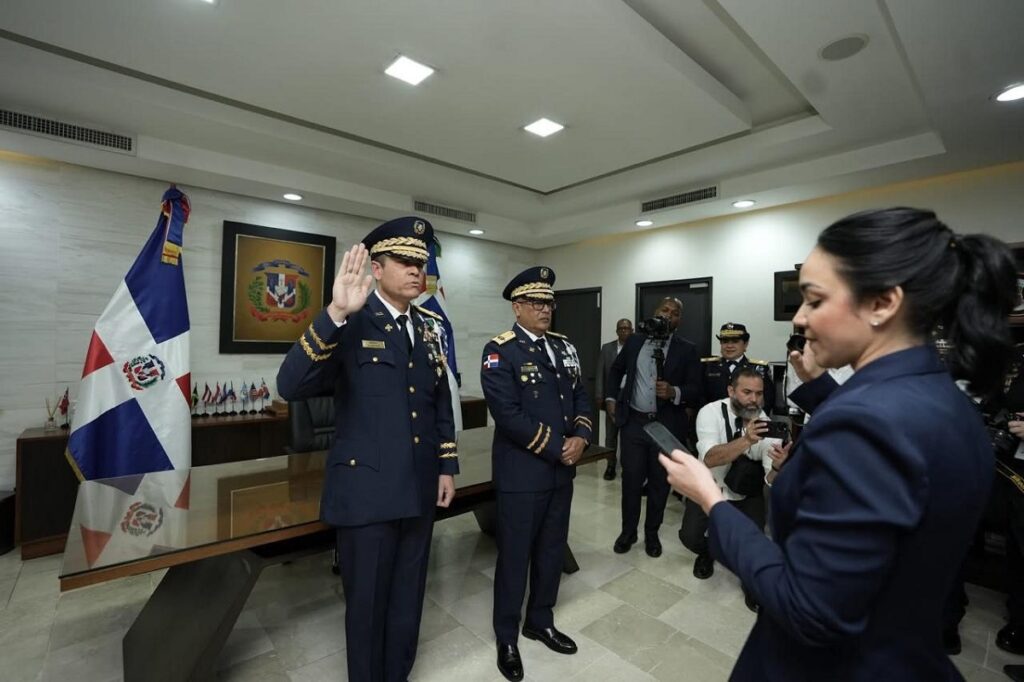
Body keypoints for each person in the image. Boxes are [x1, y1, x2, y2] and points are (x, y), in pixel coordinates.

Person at [658, 207, 1016, 680]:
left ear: (882, 304)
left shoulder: (866, 425)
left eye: (815, 300)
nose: (800, 318)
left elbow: (809, 610)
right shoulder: (943, 398)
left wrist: (710, 498)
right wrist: (817, 386)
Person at [276, 216, 458, 682]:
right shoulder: (351, 319)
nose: (416, 270)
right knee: (368, 605)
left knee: (408, 599)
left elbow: (438, 402)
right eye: (404, 261)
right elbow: (290, 385)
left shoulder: (430, 326)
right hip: (368, 493)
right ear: (376, 269)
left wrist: (446, 466)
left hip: (419, 488)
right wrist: (335, 313)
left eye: (421, 262)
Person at [480, 266, 592, 682]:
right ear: (517, 307)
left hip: (561, 473)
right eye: (535, 303)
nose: (545, 309)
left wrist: (581, 436)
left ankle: (540, 620)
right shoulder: (500, 351)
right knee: (515, 555)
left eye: (548, 302)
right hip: (522, 474)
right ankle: (507, 635)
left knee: (551, 550)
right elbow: (507, 414)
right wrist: (557, 445)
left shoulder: (564, 347)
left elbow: (581, 395)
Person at [679, 368, 790, 603]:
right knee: (690, 537)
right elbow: (710, 458)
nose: (754, 399)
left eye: (759, 393)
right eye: (747, 392)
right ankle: (708, 552)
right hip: (710, 485)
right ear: (731, 391)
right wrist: (746, 440)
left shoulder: (766, 425)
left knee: (753, 545)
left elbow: (769, 479)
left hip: (746, 491)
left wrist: (778, 468)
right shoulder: (710, 412)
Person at [606, 297, 701, 557]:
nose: (668, 315)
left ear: (679, 320)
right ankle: (628, 532)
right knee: (631, 481)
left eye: (674, 312)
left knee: (659, 484)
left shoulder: (688, 349)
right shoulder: (635, 341)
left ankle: (652, 534)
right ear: (655, 312)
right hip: (633, 424)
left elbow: (696, 388)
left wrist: (674, 391)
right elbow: (615, 370)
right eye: (664, 310)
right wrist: (611, 398)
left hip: (665, 427)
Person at [700, 322, 775, 413]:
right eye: (725, 341)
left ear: (745, 344)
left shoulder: (757, 368)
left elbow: (767, 400)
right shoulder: (708, 366)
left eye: (735, 341)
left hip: (748, 417)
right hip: (713, 417)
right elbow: (700, 397)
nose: (729, 346)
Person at [596, 318, 633, 480]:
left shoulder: (636, 347)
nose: (624, 331)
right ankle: (611, 465)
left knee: (628, 435)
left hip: (630, 397)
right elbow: (600, 372)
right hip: (612, 396)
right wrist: (599, 395)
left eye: (627, 328)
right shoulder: (607, 348)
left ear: (632, 331)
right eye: (621, 328)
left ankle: (628, 466)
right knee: (610, 434)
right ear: (617, 331)